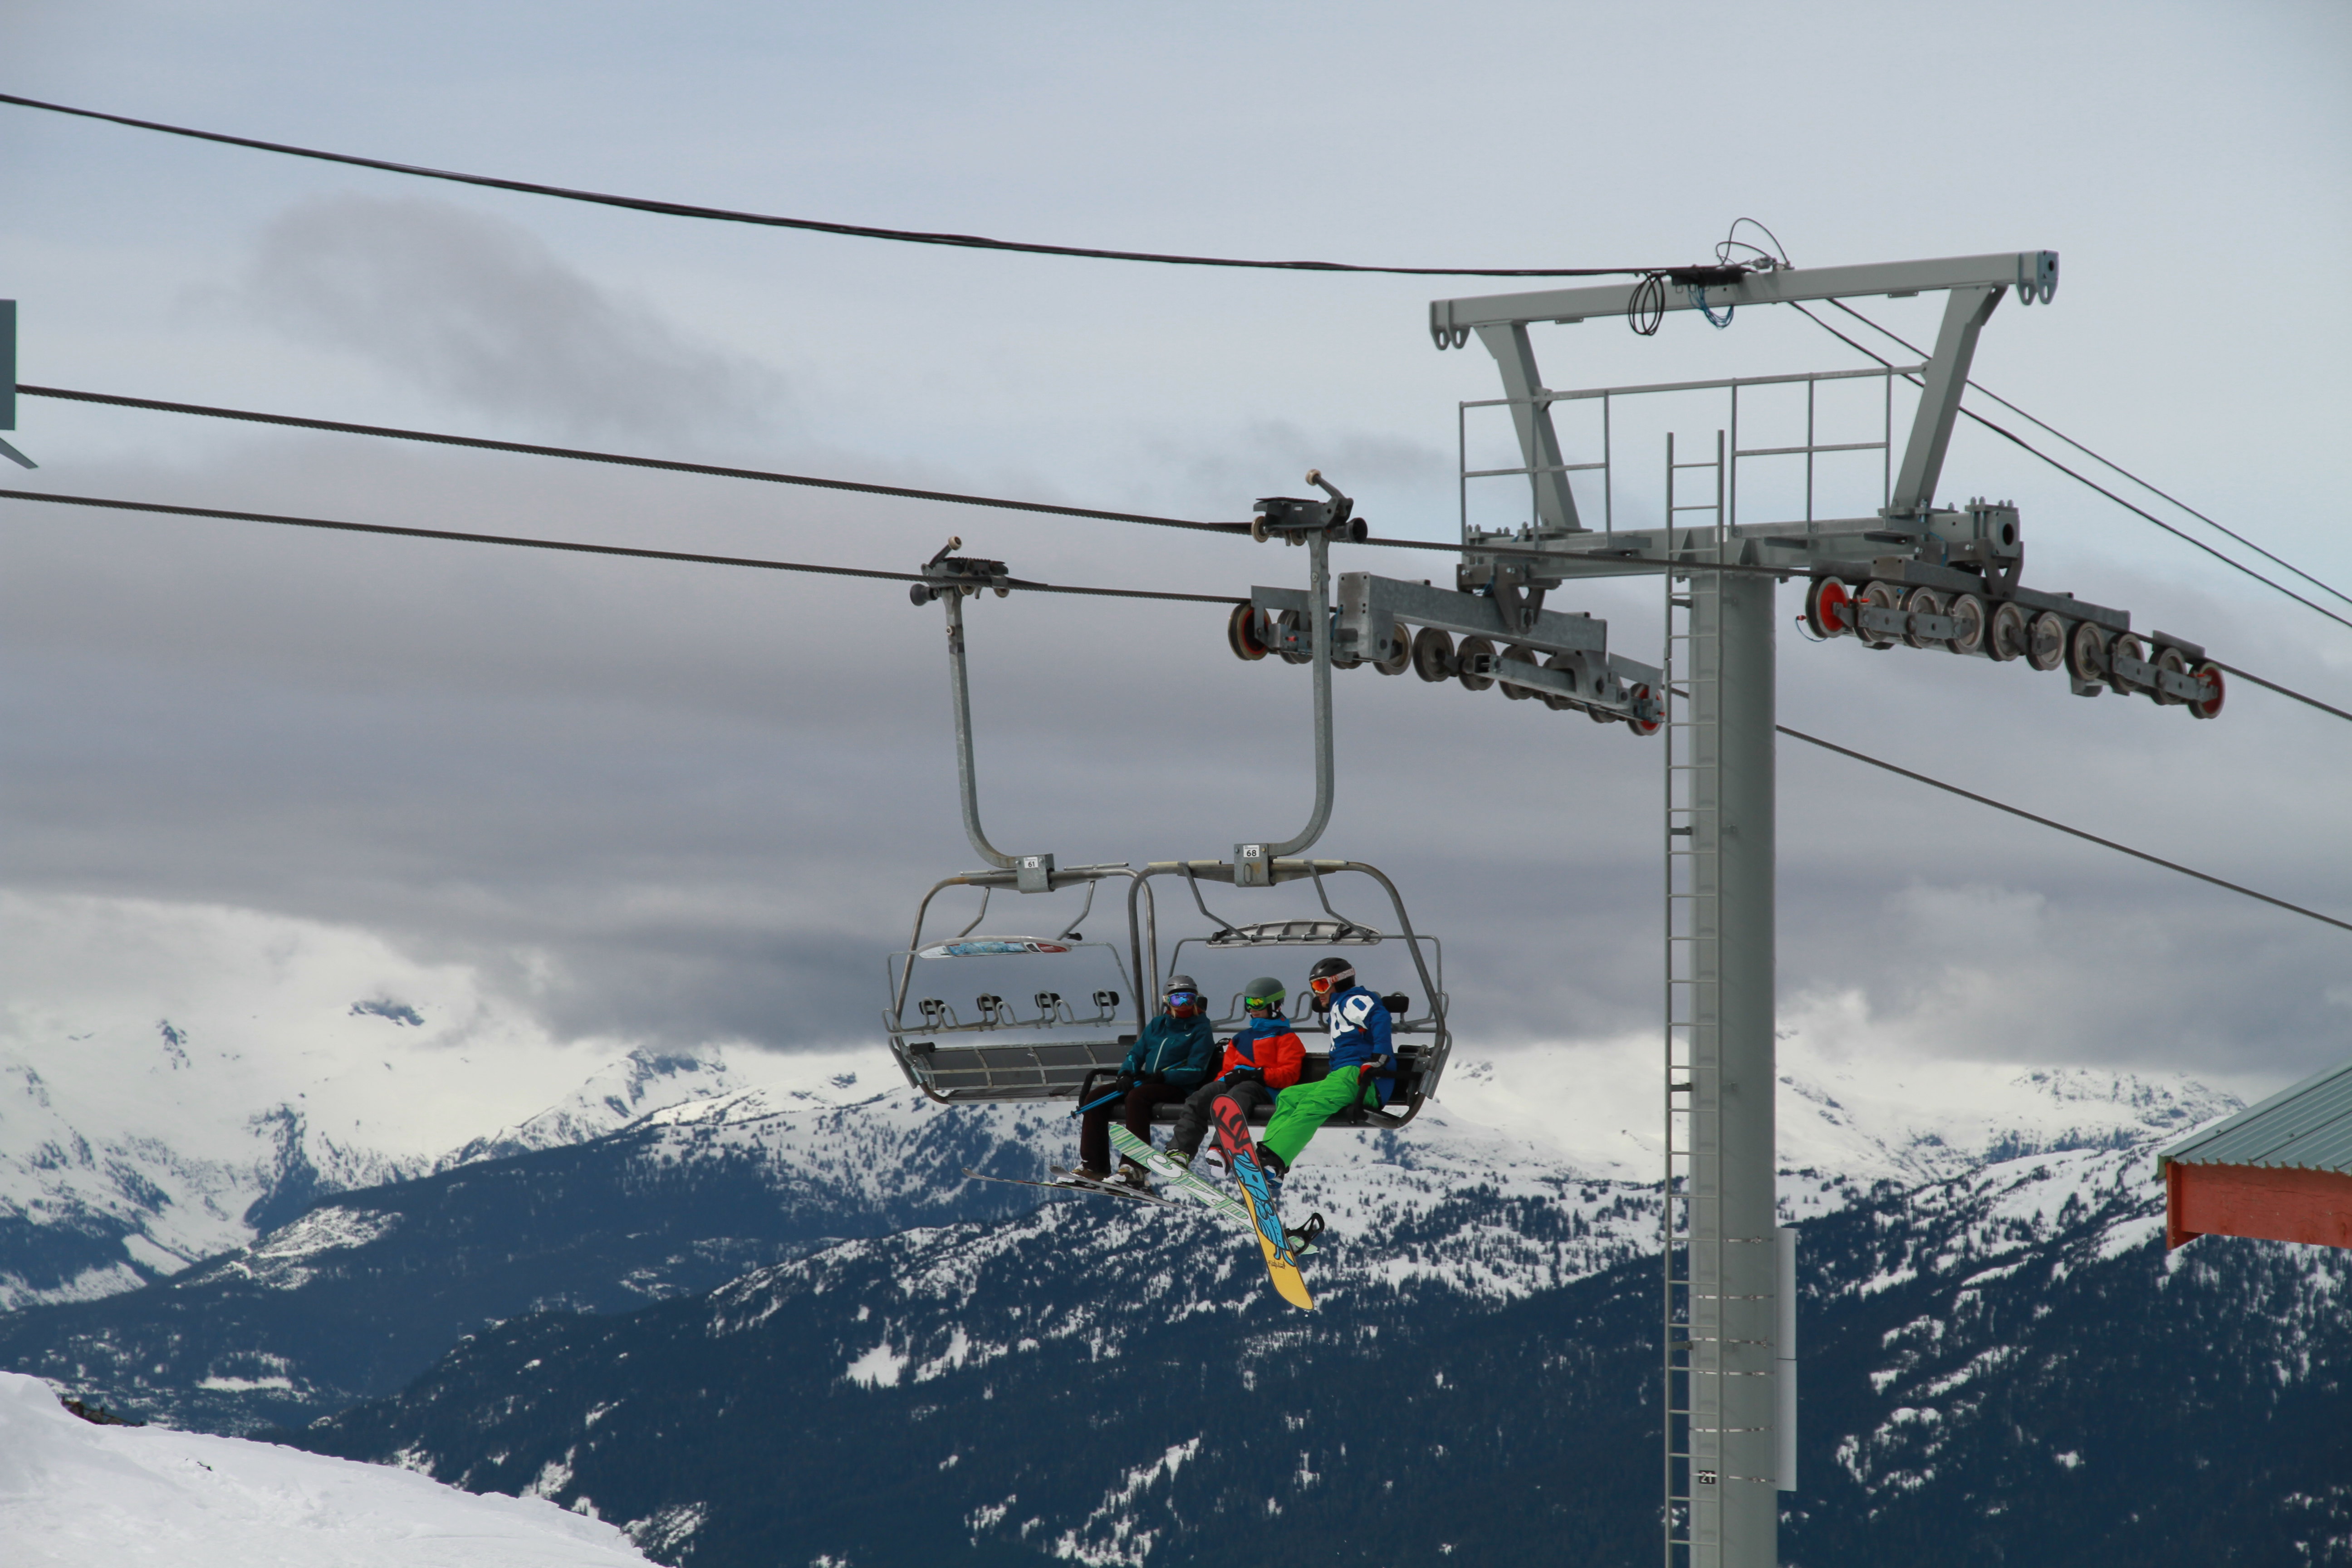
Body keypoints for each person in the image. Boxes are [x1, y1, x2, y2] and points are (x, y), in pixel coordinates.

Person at [1257, 955, 1394, 1186]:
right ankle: (1272, 1160)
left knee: (1313, 1104)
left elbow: (1379, 1016)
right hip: (1344, 1077)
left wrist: (1379, 1057)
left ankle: (1273, 1159)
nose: (1317, 993)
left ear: (1339, 982)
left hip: (1361, 1079)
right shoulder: (1340, 1006)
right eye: (1314, 987)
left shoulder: (1352, 999)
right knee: (1289, 1097)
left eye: (1321, 985)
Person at [1073, 974, 1218, 1186]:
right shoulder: (1158, 1025)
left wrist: (1163, 1076)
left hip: (1179, 1087)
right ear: (1167, 1001)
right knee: (1096, 1097)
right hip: (1150, 1083)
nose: (1184, 1005)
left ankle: (1136, 1167)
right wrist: (1126, 1074)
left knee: (1137, 1097)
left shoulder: (1200, 1029)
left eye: (1189, 999)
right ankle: (1093, 1165)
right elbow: (1137, 1053)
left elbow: (1197, 1069)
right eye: (1178, 999)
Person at [1164, 976, 1305, 1170]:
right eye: (1248, 1003)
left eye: (1257, 1003)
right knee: (1201, 1097)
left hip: (1265, 1090)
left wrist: (1256, 1075)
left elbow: (1289, 1075)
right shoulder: (1240, 1038)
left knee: (1239, 1093)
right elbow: (1227, 1070)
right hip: (1237, 1086)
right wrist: (1222, 1082)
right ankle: (1180, 1151)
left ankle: (1222, 1149)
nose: (1252, 1009)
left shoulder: (1286, 1038)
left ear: (1274, 1005)